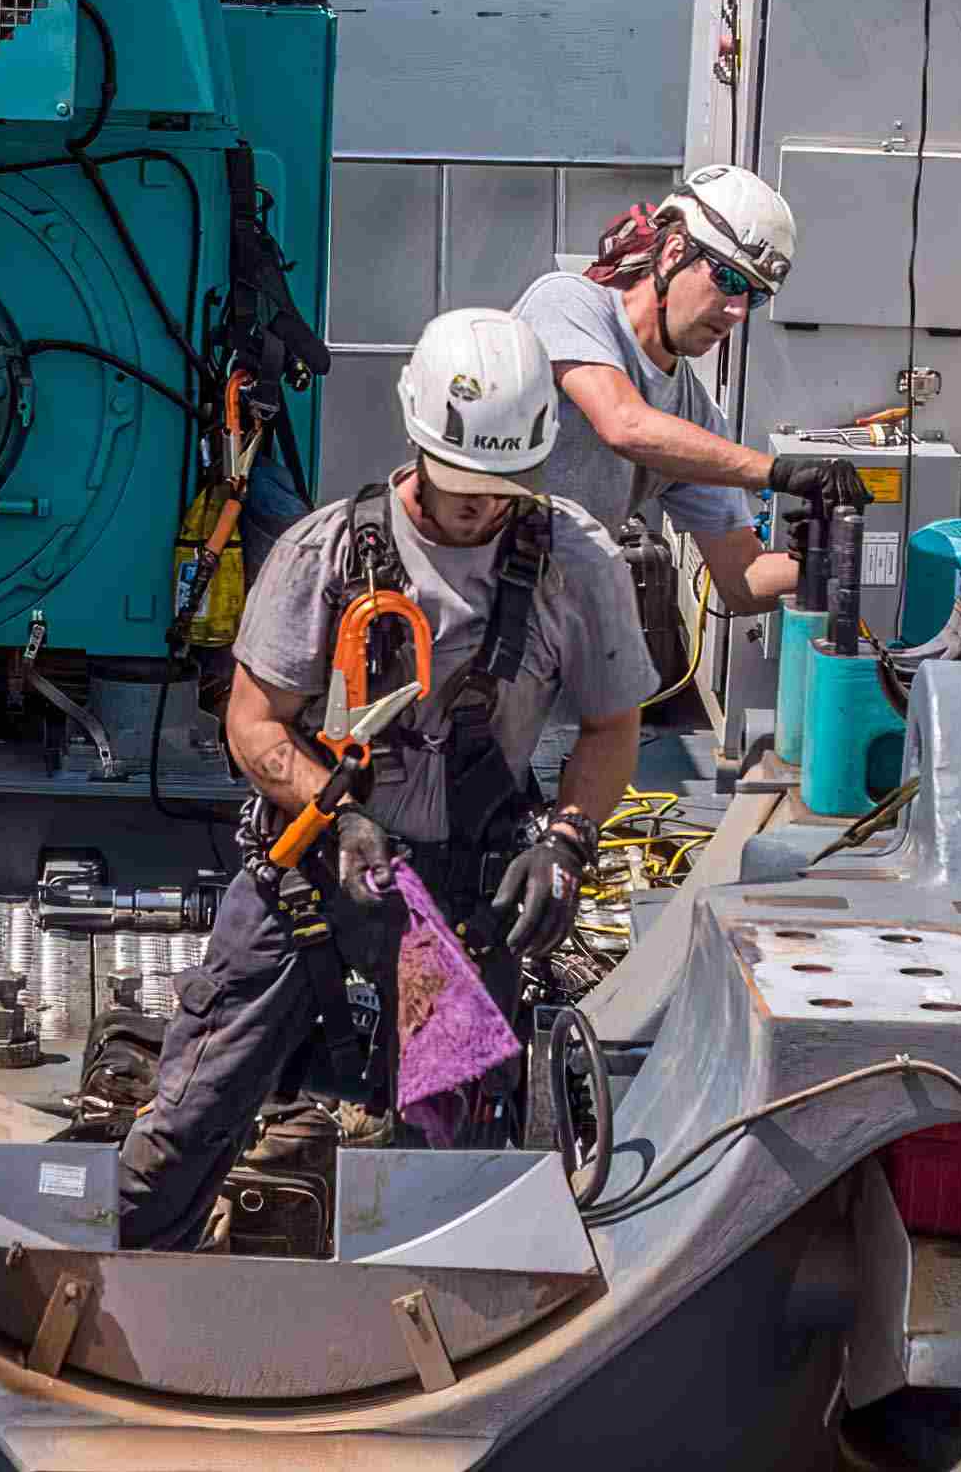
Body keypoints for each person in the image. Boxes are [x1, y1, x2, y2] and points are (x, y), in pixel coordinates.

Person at [116, 308, 657, 1250]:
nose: (482, 508)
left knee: (440, 1164)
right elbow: (252, 722)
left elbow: (613, 727)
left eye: (502, 489)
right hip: (315, 878)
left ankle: (416, 1345)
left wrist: (566, 841)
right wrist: (335, 817)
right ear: (417, 439)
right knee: (190, 1118)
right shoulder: (325, 555)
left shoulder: (575, 562)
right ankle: (117, 1281)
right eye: (462, 489)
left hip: (462, 897)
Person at [512, 165, 869, 617]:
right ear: (673, 252)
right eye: (730, 280)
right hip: (463, 595)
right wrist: (778, 473)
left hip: (551, 621)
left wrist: (817, 561)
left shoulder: (694, 419)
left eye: (754, 297)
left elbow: (741, 583)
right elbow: (624, 424)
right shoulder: (568, 303)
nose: (738, 310)